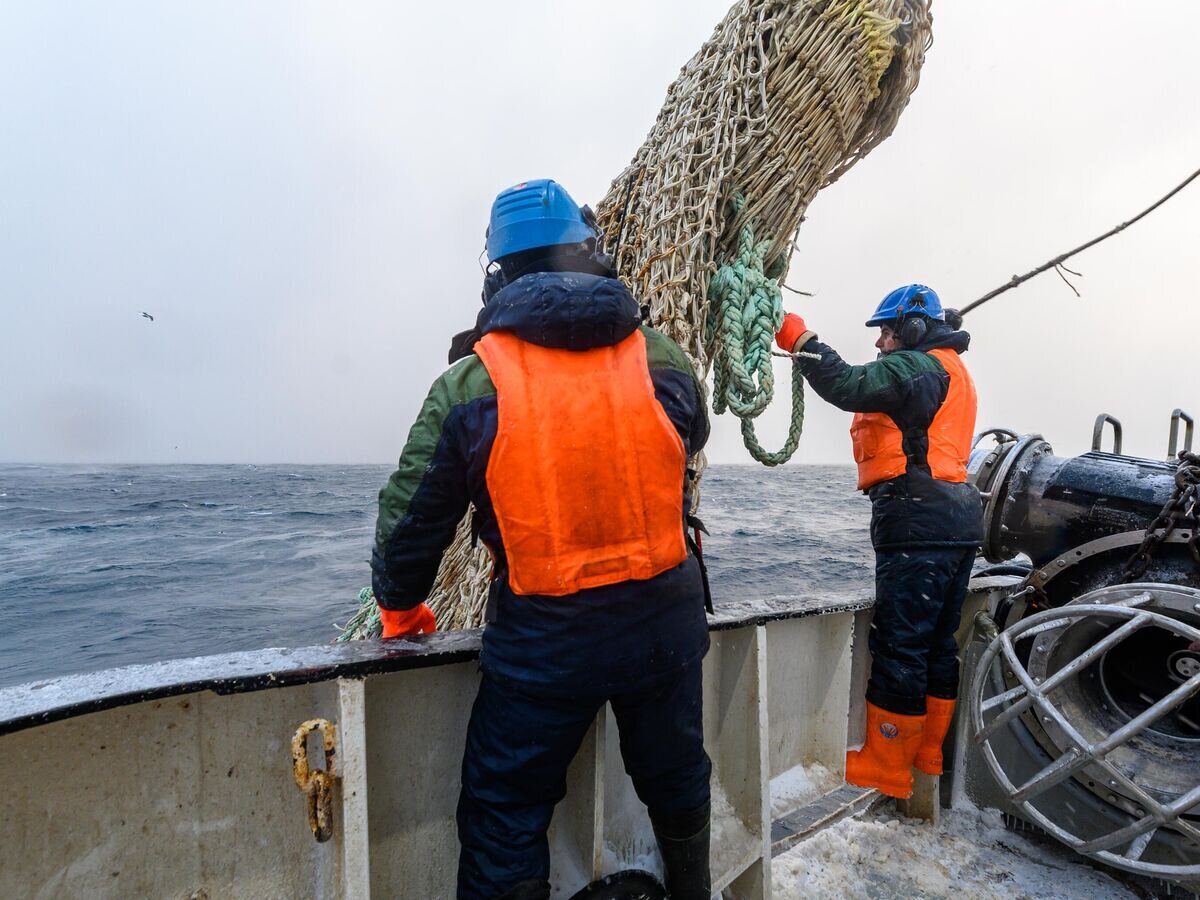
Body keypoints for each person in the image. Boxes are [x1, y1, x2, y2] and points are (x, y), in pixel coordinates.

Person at [371, 179, 713, 900]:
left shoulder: (469, 384)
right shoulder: (665, 360)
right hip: (665, 629)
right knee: (677, 776)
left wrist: (400, 608)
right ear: (591, 257)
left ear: (498, 275)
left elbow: (411, 522)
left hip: (546, 645)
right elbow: (690, 440)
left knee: (505, 812)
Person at [775, 285, 982, 800]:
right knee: (937, 644)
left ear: (913, 328)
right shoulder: (950, 370)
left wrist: (799, 338)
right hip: (957, 514)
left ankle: (887, 764)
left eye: (887, 331)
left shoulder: (916, 366)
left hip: (917, 517)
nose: (881, 343)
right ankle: (927, 754)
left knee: (900, 643)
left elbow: (845, 384)